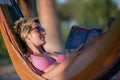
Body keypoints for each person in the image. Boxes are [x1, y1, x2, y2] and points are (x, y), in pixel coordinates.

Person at [14, 17, 112, 80]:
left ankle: (113, 35)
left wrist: (73, 55)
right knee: (96, 41)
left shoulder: (50, 53)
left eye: (42, 29)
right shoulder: (29, 59)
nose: (44, 32)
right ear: (26, 35)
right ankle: (114, 32)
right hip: (71, 75)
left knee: (95, 42)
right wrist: (69, 59)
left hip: (78, 69)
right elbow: (42, 77)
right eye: (37, 29)